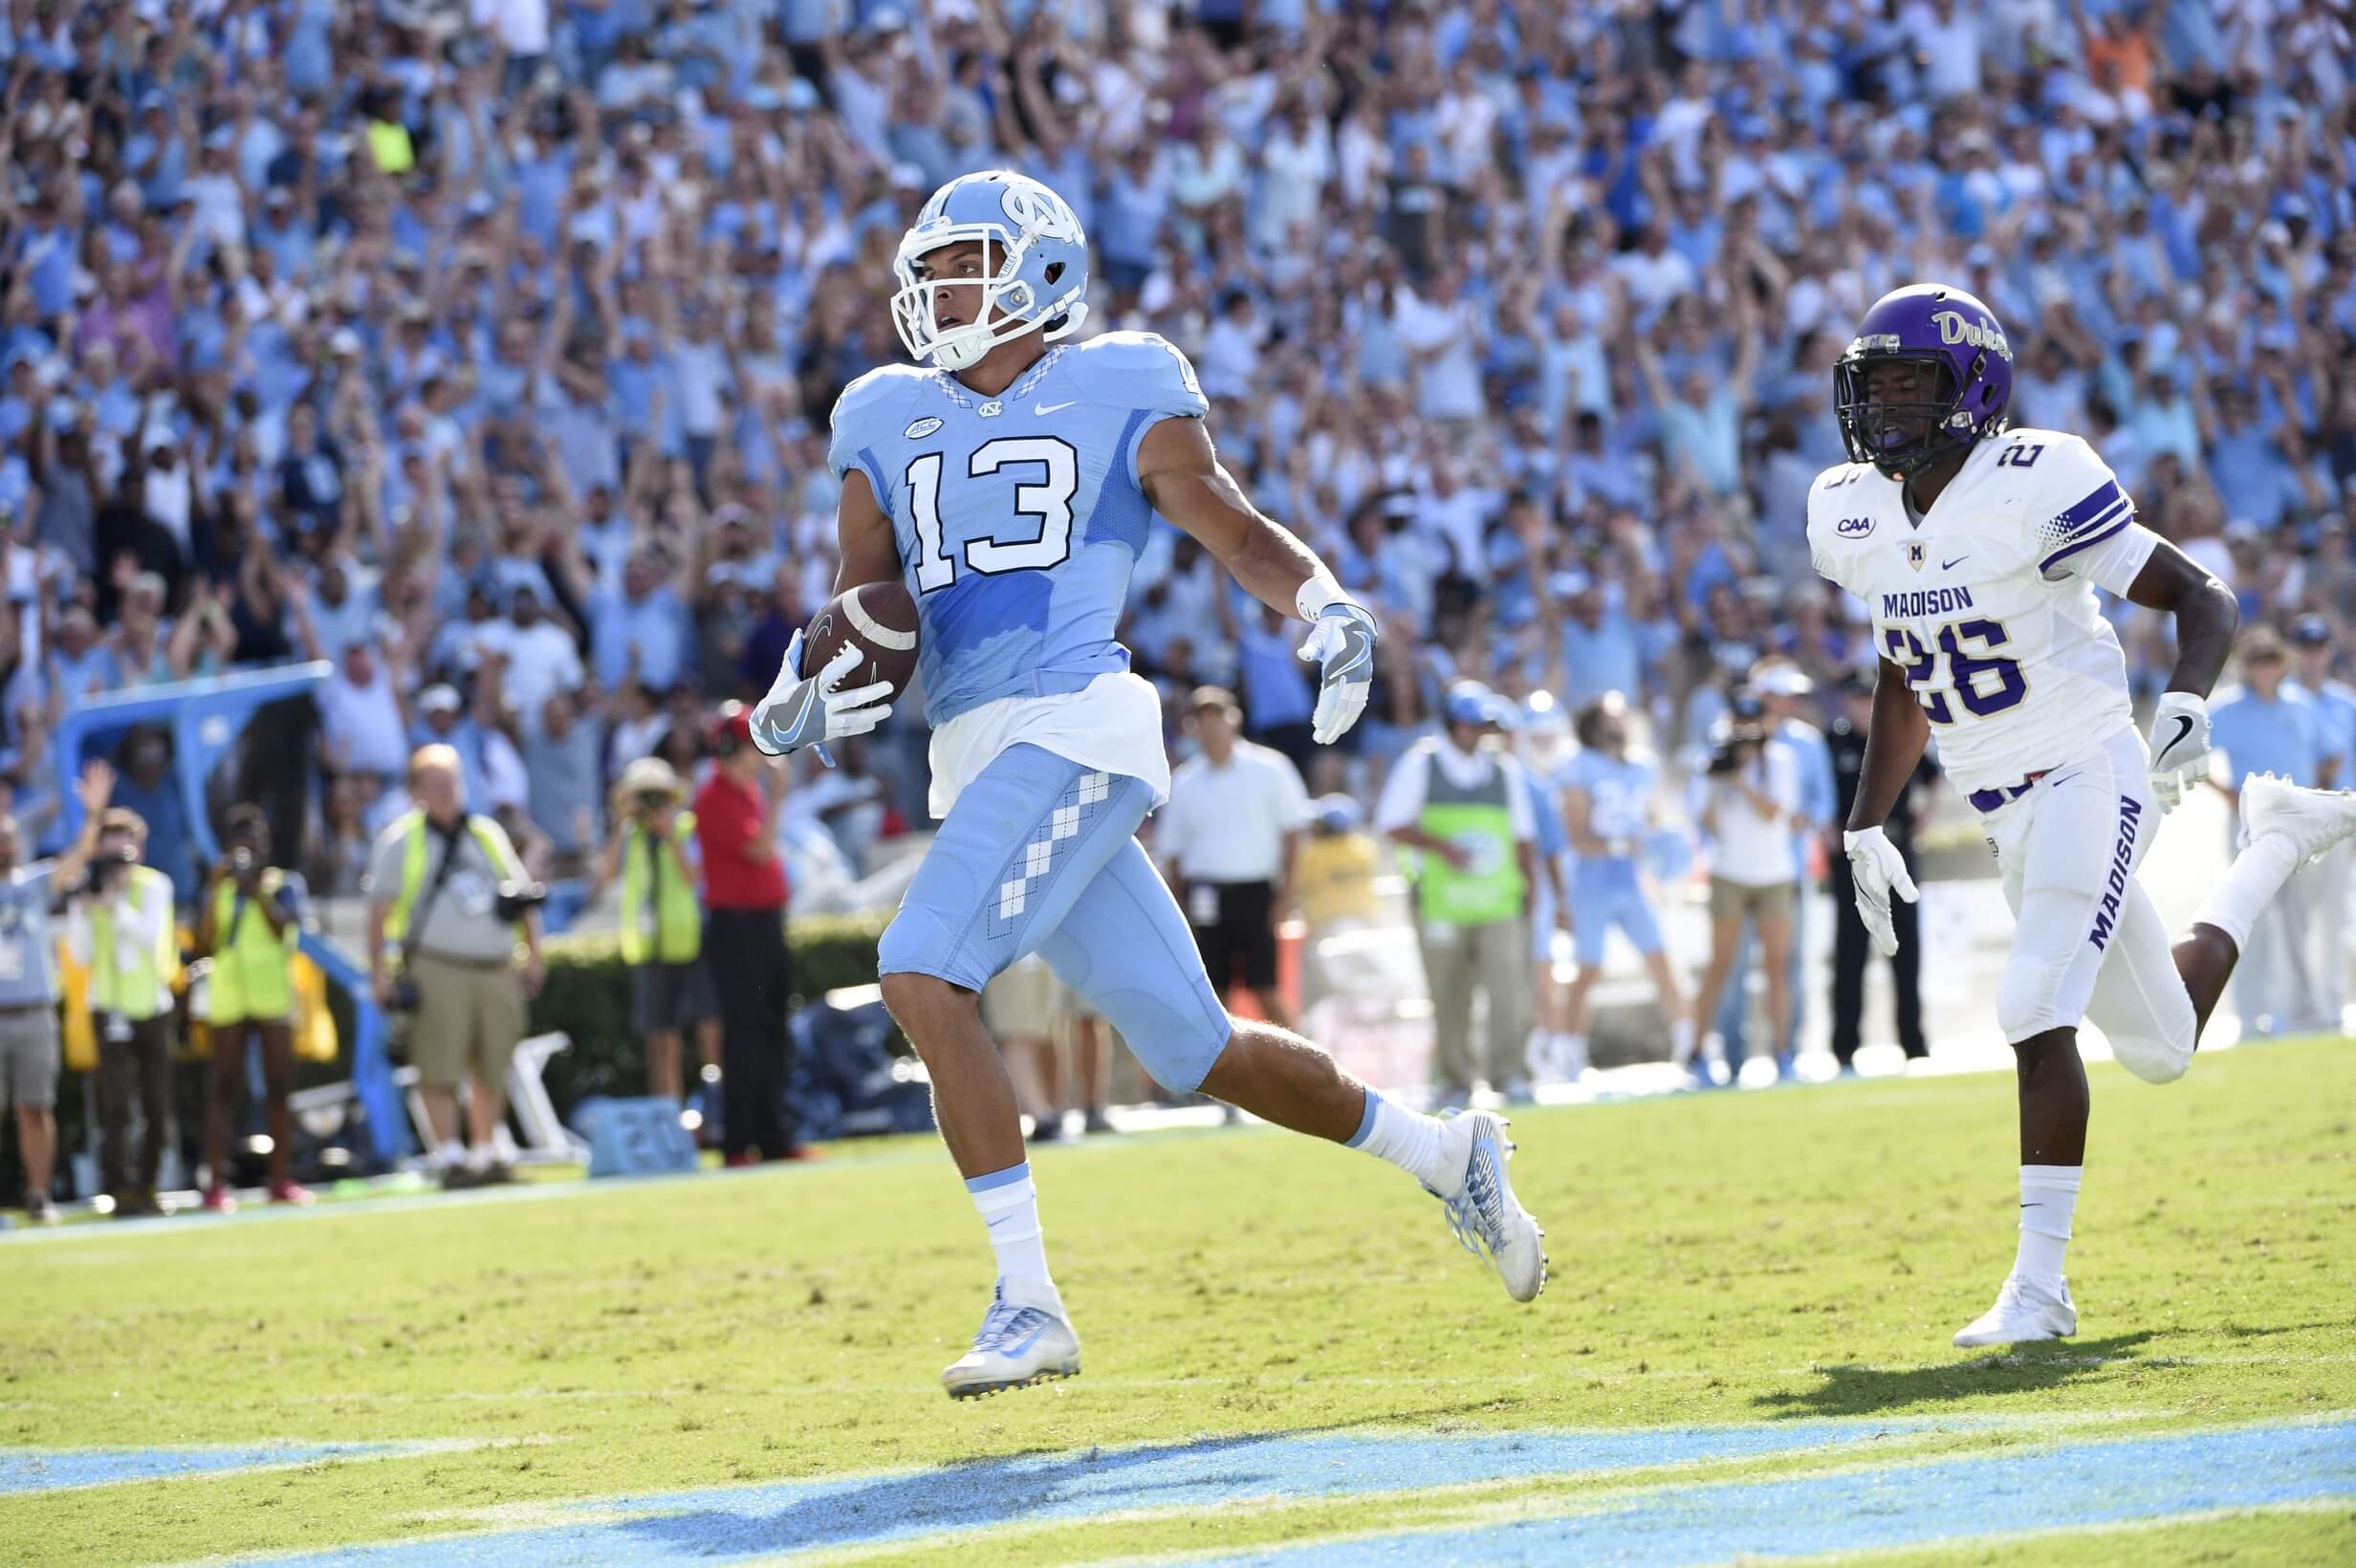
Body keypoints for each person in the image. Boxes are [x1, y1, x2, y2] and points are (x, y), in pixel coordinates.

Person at [748, 171, 1543, 1400]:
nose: (938, 286)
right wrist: (804, 689)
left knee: (917, 969)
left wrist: (1325, 604)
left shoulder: (1119, 380)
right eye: (933, 266)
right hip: (980, 757)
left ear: (1039, 272)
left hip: (1079, 728)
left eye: (964, 262)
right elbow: (866, 594)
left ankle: (1028, 1299)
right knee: (1200, 1047)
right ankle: (1447, 1154)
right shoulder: (880, 410)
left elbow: (1229, 527)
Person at [1809, 283, 2356, 1349]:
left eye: (1910, 383)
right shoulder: (1853, 508)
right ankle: (2277, 838)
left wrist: (2188, 699)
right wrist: (1867, 816)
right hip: (2003, 801)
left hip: (2085, 768)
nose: (1884, 408)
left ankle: (2039, 1288)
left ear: (1972, 388)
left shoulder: (2034, 480)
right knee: (2160, 1046)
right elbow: (1903, 661)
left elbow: (2206, 598)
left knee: (2029, 1002)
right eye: (1872, 385)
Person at [365, 745, 546, 1189]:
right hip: (437, 963)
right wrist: (379, 974)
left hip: (496, 964)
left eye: (452, 780)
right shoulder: (401, 841)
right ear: (414, 791)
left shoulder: (485, 833)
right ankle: (448, 1156)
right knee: (438, 1061)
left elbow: (521, 898)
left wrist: (534, 954)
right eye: (434, 783)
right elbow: (378, 913)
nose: (447, 791)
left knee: (492, 1061)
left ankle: (485, 1154)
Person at [1375, 681, 1542, 1103]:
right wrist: (1443, 849)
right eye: (1472, 725)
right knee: (1448, 993)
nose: (1479, 733)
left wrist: (1531, 888)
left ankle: (1511, 1074)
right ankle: (1455, 1081)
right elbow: (1392, 823)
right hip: (1439, 902)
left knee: (1509, 990)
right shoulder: (1421, 765)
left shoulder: (1504, 771)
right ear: (1452, 725)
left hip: (1497, 900)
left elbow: (1524, 837)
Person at [1158, 686, 1311, 1031]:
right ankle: (1218, 1081)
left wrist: (1285, 898)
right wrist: (1182, 907)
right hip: (1205, 895)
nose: (1211, 729)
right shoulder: (1185, 781)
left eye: (1216, 719)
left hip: (1256, 892)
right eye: (1202, 721)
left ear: (1233, 720)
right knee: (1214, 992)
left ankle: (1302, 1072)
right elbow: (1174, 854)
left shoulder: (1269, 769)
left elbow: (1293, 836)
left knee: (1265, 987)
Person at [0, 761, 114, 1223]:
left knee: (35, 1106)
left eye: (9, 836)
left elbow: (80, 857)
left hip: (34, 1013)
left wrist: (93, 814)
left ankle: (39, 1194)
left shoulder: (32, 885)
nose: (6, 843)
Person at [2207, 627, 2332, 1037]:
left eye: (2270, 659)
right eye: (2257, 660)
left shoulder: (2300, 705)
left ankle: (2302, 1012)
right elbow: (2191, 753)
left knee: (2298, 923)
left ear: (2282, 663)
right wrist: (2226, 792)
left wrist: (2318, 798)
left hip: (2300, 827)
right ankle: (2252, 1016)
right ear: (2246, 666)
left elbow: (2329, 753)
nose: (2265, 668)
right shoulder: (2227, 708)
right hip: (2253, 825)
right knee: (2251, 922)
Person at [1558, 692, 1689, 1079]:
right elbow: (1577, 835)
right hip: (1592, 880)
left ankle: (1689, 1042)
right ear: (1594, 725)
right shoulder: (1578, 766)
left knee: (1661, 962)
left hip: (1631, 879)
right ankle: (1568, 1050)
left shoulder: (1642, 766)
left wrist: (1663, 846)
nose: (1620, 725)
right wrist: (1622, 844)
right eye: (1611, 718)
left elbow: (1650, 821)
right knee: (1588, 969)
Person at [694, 703, 802, 1164]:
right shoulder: (713, 797)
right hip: (736, 926)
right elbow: (759, 851)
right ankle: (738, 1142)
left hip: (762, 922)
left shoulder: (746, 794)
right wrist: (779, 794)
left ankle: (773, 1137)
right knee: (743, 1035)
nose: (763, 758)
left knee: (772, 1030)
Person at [194, 804, 312, 1210]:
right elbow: (205, 943)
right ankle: (213, 1183)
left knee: (279, 1088)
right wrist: (213, 889)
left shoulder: (283, 884)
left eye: (256, 843)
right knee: (223, 1088)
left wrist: (257, 890)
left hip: (273, 995)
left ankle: (281, 1177)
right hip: (230, 995)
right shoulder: (220, 888)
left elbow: (285, 929)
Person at [68, 803, 180, 1218]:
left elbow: (151, 938)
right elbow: (80, 954)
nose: (115, 865)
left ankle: (147, 1186)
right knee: (114, 1105)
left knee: (156, 1104)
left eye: (123, 855)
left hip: (151, 1006)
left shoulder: (154, 886)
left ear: (140, 852)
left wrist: (116, 905)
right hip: (108, 1007)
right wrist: (86, 906)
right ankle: (118, 1190)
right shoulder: (90, 888)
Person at [1686, 690, 1802, 1085]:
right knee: (1719, 966)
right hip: (1729, 873)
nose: (1747, 736)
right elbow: (1709, 824)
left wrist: (1740, 780)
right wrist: (1722, 779)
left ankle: (1783, 1052)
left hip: (1774, 874)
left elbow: (1773, 813)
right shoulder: (1711, 763)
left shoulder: (1780, 760)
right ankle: (1697, 1052)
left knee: (1776, 967)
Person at [1825, 672, 1934, 1070]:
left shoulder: (1896, 734)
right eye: (1854, 698)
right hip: (1851, 866)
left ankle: (1914, 1043)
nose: (1861, 706)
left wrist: (1925, 814)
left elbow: (1932, 775)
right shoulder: (1832, 742)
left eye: (1865, 697)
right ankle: (1843, 1048)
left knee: (1907, 955)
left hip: (1898, 855)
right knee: (1849, 957)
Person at [596, 757, 716, 1104]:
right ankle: (667, 1107)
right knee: (659, 1037)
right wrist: (621, 822)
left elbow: (695, 877)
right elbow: (606, 874)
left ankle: (712, 1106)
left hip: (688, 941)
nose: (651, 805)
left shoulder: (686, 828)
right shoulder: (630, 836)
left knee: (704, 1026)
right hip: (650, 948)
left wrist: (668, 836)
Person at [2286, 614, 2355, 1032]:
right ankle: (2296, 1007)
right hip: (2296, 821)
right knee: (2291, 922)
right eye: (2306, 648)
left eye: (2319, 648)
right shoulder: (2281, 698)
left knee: (2333, 918)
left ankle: (2329, 1005)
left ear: (2328, 651)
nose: (2313, 657)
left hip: (2340, 819)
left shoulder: (2347, 703)